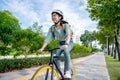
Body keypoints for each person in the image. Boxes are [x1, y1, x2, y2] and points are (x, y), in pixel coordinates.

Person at [38, 9, 74, 79]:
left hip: (69, 42)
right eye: (52, 16)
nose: (53, 17)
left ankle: (68, 71)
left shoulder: (65, 25)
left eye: (55, 15)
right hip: (60, 43)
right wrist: (42, 48)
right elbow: (47, 39)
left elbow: (68, 35)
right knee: (57, 56)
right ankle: (58, 73)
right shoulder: (52, 28)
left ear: (60, 17)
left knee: (66, 52)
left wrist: (66, 44)